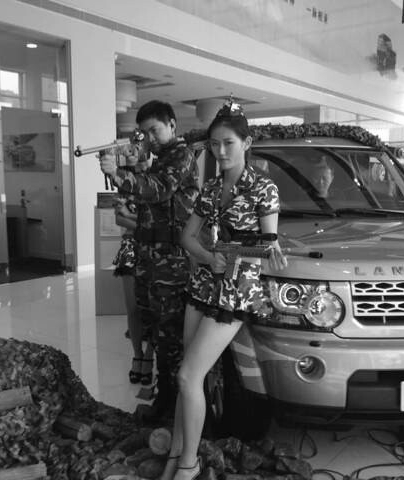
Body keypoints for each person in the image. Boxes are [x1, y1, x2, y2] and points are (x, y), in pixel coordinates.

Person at [162, 101, 287, 480]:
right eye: (214, 144)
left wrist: (270, 248)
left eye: (228, 143)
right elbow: (187, 237)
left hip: (235, 292)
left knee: (188, 376)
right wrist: (207, 257)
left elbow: (267, 245)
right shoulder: (212, 187)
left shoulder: (263, 187)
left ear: (246, 143)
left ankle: (189, 464)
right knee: (188, 377)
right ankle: (174, 456)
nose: (220, 151)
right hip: (203, 285)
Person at [99, 100, 199, 418]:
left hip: (171, 259)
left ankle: (172, 405)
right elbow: (143, 196)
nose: (150, 138)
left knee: (170, 334)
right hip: (150, 255)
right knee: (154, 327)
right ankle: (163, 395)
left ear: (172, 125)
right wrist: (125, 170)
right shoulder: (159, 160)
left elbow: (159, 189)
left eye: (154, 130)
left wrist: (118, 174)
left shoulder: (182, 155)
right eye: (144, 133)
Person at [111, 149, 154, 386]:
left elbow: (162, 222)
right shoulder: (125, 184)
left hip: (157, 251)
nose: (136, 159)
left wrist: (133, 220)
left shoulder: (159, 184)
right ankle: (137, 355)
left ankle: (149, 356)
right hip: (131, 249)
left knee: (155, 309)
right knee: (133, 309)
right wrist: (146, 225)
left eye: (140, 154)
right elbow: (119, 218)